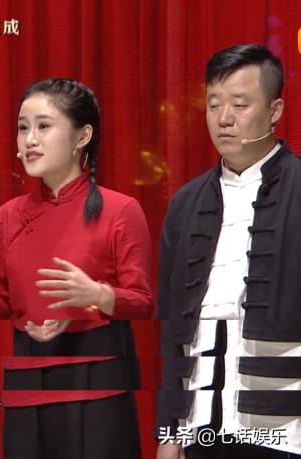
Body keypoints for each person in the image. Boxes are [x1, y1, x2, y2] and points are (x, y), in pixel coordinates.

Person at [0, 79, 153, 459]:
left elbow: (142, 302)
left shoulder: (120, 210)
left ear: (82, 136)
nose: (30, 140)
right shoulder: (10, 214)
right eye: (23, 127)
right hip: (28, 374)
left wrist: (96, 295)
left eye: (43, 126)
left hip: (96, 377)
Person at [156, 44, 301, 459]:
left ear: (274, 111)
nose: (223, 118)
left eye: (239, 104)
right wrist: (169, 431)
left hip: (287, 432)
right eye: (213, 104)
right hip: (201, 427)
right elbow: (172, 330)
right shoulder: (185, 204)